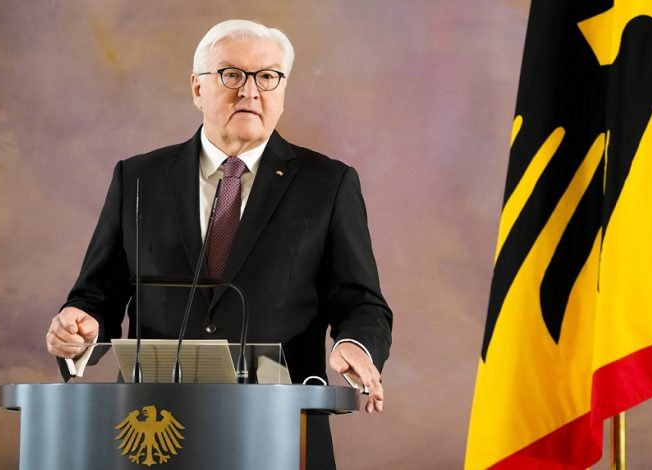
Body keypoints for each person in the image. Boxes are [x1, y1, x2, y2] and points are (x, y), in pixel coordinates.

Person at [44, 19, 393, 468]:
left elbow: (361, 302)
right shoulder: (138, 178)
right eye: (231, 74)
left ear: (283, 90)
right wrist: (80, 329)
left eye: (267, 76)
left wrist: (355, 345)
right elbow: (97, 297)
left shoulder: (328, 183)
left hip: (280, 433)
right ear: (197, 87)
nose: (250, 91)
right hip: (154, 433)